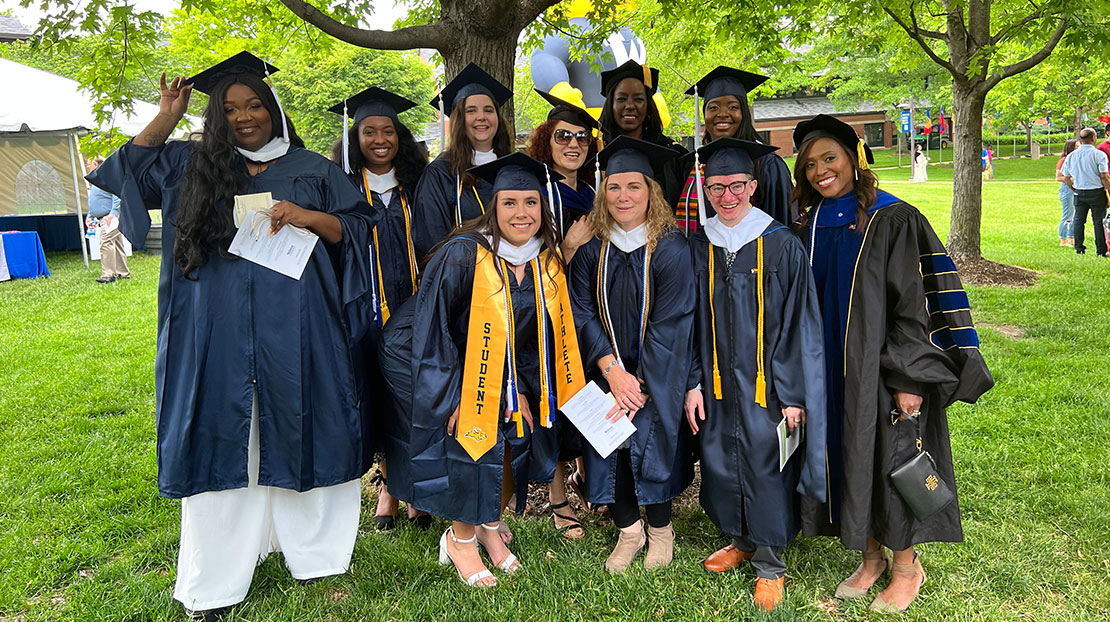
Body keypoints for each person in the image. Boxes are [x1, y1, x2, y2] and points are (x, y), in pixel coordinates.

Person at [86, 52, 377, 620]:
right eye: (231, 109)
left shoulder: (312, 168)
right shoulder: (187, 164)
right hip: (211, 327)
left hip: (298, 323)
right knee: (220, 436)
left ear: (273, 110)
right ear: (216, 118)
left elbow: (361, 230)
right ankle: (215, 579)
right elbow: (122, 173)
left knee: (300, 422)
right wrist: (168, 115)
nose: (245, 117)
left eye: (254, 105)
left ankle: (313, 555)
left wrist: (307, 216)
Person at [791, 115, 993, 613]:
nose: (820, 171)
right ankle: (871, 558)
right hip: (829, 373)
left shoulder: (893, 218)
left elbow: (912, 306)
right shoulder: (808, 223)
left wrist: (909, 379)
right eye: (811, 164)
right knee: (850, 459)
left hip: (881, 372)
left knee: (891, 461)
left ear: (855, 159)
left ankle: (907, 567)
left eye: (830, 158)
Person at [379, 153, 587, 587]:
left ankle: (489, 529)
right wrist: (454, 395)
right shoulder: (464, 254)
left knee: (512, 423)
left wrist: (520, 390)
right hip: (418, 355)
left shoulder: (539, 261)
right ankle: (460, 540)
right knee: (473, 428)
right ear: (493, 207)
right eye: (509, 203)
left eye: (531, 202)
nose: (521, 213)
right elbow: (432, 330)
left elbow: (525, 337)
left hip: (483, 359)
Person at [682, 138, 827, 611]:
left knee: (766, 465)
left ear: (753, 185)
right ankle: (739, 540)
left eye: (736, 185)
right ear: (705, 189)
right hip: (719, 383)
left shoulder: (781, 243)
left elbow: (799, 321)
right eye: (717, 187)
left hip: (768, 385)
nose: (727, 196)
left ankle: (770, 563)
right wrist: (694, 381)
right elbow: (688, 322)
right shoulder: (697, 245)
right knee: (721, 460)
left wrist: (793, 394)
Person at [568, 136, 695, 573]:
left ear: (651, 192)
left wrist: (636, 381)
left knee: (649, 445)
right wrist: (611, 371)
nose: (623, 196)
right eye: (614, 187)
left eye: (633, 187)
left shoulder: (672, 248)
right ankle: (629, 532)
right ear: (603, 192)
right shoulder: (592, 248)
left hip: (655, 375)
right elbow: (580, 310)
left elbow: (673, 322)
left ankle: (660, 529)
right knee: (610, 449)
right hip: (603, 372)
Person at [328, 86, 431, 531]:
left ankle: (415, 489)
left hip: (413, 310)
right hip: (362, 312)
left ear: (400, 136)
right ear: (356, 138)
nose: (379, 139)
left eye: (388, 130)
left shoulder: (419, 183)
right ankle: (389, 485)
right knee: (373, 395)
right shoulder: (342, 187)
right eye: (369, 131)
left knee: (409, 397)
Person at [525, 89, 600, 540]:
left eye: (582, 138)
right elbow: (526, 258)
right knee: (553, 400)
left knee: (587, 396)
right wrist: (568, 247)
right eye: (563, 136)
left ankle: (588, 476)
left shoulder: (592, 191)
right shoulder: (535, 192)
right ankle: (557, 498)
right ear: (546, 141)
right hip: (550, 313)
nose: (573, 144)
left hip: (590, 310)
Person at [411, 63, 513, 258]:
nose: (481, 117)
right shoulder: (441, 174)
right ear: (459, 119)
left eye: (488, 110)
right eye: (471, 110)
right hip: (462, 280)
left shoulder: (512, 166)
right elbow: (431, 241)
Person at [675, 67, 794, 232]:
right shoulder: (696, 165)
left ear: (743, 113)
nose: (722, 114)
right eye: (713, 108)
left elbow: (780, 226)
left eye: (732, 107)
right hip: (701, 255)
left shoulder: (767, 164)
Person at [597, 60, 687, 206]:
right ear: (610, 105)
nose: (630, 106)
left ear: (648, 106)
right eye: (621, 99)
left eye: (638, 99)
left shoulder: (673, 156)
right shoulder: (596, 153)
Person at [1061, 127, 1110, 256]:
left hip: (1079, 192)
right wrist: (1109, 190)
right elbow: (1104, 175)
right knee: (1098, 221)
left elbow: (1065, 177)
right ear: (1093, 138)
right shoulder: (1099, 155)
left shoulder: (1071, 156)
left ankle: (1079, 248)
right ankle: (1101, 250)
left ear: (1080, 139)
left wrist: (1073, 187)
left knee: (1078, 220)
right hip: (1096, 192)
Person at [85, 157, 131, 283]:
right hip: (104, 216)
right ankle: (123, 272)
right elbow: (97, 200)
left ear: (95, 164)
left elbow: (117, 196)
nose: (88, 167)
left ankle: (108, 274)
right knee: (116, 243)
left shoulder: (107, 178)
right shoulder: (96, 180)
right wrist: (90, 216)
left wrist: (113, 214)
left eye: (89, 164)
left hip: (110, 217)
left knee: (105, 242)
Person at [1055, 139, 1078, 247]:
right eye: (1076, 146)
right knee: (1067, 214)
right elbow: (1058, 177)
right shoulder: (1064, 160)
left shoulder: (1076, 159)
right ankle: (1063, 239)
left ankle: (1071, 238)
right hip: (1067, 189)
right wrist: (1071, 178)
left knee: (1074, 215)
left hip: (1075, 188)